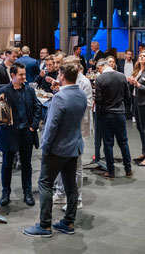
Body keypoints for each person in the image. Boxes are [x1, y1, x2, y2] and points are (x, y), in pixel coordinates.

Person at [23, 63, 87, 237]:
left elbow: (51, 126)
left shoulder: (60, 98)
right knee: (70, 185)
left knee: (44, 183)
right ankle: (68, 222)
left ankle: (45, 226)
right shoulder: (81, 94)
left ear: (61, 75)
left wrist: (45, 147)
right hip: (74, 146)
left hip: (57, 149)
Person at [0, 62, 42, 207]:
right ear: (13, 75)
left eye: (24, 74)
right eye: (21, 74)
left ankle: (27, 192)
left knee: (27, 165)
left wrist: (33, 128)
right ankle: (5, 192)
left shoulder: (29, 90)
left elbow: (37, 109)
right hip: (9, 133)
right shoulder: (3, 91)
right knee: (7, 164)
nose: (24, 77)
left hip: (26, 133)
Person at [52, 57, 93, 211]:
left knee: (77, 166)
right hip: (68, 127)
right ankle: (62, 194)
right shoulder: (68, 81)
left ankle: (77, 199)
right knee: (65, 164)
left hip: (78, 127)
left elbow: (88, 103)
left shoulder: (85, 82)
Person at [95, 58, 133, 178]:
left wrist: (99, 114)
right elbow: (127, 96)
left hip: (106, 114)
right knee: (123, 143)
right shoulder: (122, 76)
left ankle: (110, 171)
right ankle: (128, 170)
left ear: (101, 67)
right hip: (120, 114)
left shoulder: (100, 79)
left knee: (108, 144)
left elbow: (98, 99)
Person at [128, 51, 145, 167]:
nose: (141, 57)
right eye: (140, 55)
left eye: (144, 56)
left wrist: (138, 85)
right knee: (140, 128)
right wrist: (131, 82)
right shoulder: (138, 70)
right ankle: (144, 152)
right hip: (136, 101)